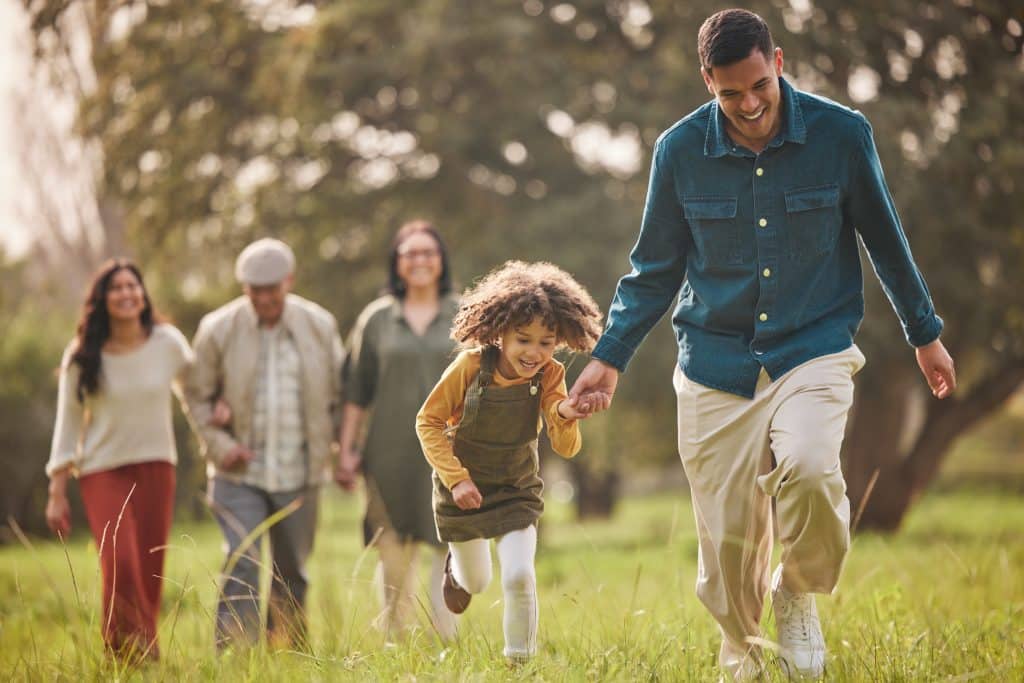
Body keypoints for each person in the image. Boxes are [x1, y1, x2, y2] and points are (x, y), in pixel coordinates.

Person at [567, 9, 956, 681]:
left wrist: (925, 332)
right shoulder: (680, 151)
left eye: (758, 87)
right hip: (715, 360)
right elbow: (653, 270)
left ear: (778, 63)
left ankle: (798, 590)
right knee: (728, 554)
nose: (747, 105)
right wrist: (609, 357)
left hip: (813, 345)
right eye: (729, 94)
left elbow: (885, 240)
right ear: (706, 82)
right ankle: (744, 652)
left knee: (809, 467)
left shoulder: (841, 134)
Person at [416, 260, 603, 663]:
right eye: (523, 340)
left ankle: (519, 663)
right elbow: (427, 422)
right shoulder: (470, 366)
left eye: (546, 342)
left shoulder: (550, 375)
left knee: (519, 575)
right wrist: (457, 479)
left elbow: (566, 445)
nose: (534, 352)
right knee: (478, 581)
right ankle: (457, 572)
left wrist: (568, 414)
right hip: (463, 492)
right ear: (500, 334)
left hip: (516, 490)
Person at [185, 238, 344, 649]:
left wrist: (344, 450)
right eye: (255, 291)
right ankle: (237, 659)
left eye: (272, 289)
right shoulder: (217, 329)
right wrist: (221, 446)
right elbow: (196, 397)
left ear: (288, 281)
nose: (264, 298)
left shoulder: (319, 325)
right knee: (241, 562)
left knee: (292, 571)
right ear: (244, 289)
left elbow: (339, 395)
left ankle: (288, 656)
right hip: (239, 473)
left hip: (300, 471)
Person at [44, 259, 193, 660]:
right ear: (102, 300)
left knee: (149, 565)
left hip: (157, 466)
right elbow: (67, 425)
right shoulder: (82, 355)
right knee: (121, 561)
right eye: (116, 288)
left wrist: (218, 414)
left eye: (133, 286)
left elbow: (197, 388)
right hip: (101, 470)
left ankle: (132, 657)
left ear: (143, 295)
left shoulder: (167, 343)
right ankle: (136, 652)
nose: (126, 294)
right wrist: (56, 491)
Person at [335, 220, 460, 640]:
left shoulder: (464, 314)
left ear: (441, 261)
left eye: (428, 252)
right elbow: (356, 391)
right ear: (397, 264)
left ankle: (446, 639)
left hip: (450, 451)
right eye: (411, 254)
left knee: (448, 546)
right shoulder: (375, 320)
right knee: (393, 550)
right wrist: (346, 451)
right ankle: (395, 639)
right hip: (388, 453)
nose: (420, 260)